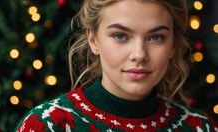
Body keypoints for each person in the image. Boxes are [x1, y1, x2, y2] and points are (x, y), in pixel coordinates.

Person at [16, 0, 218, 131]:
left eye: (156, 37)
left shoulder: (200, 127)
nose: (139, 55)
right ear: (93, 40)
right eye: (120, 36)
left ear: (173, 45)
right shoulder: (49, 124)